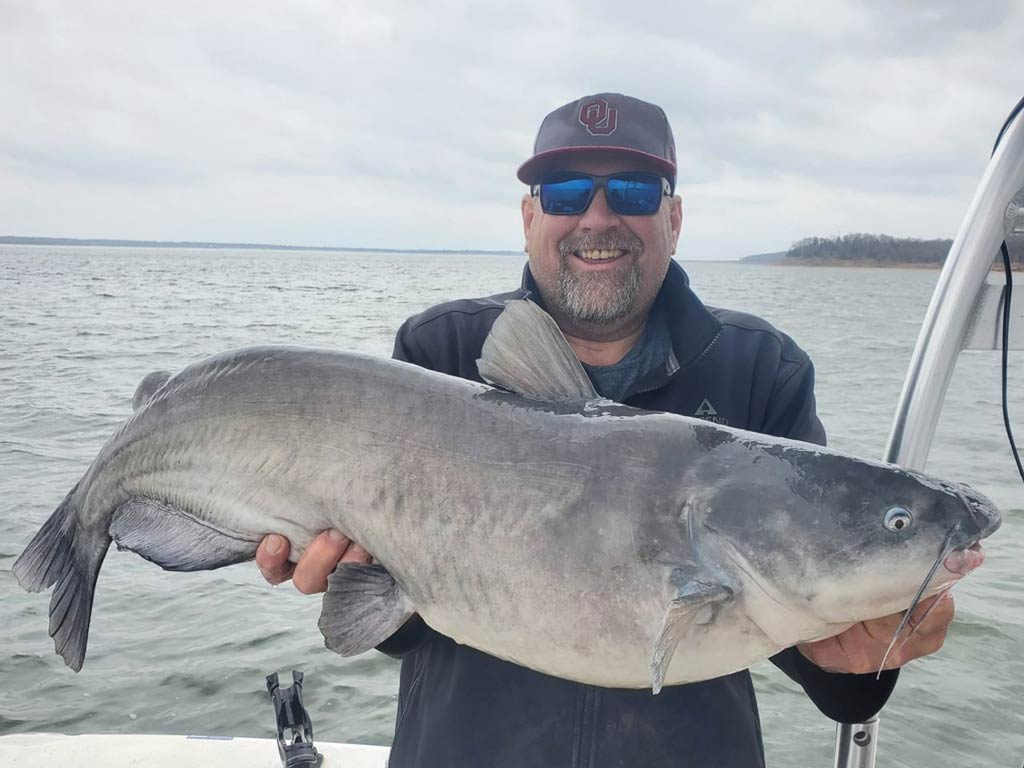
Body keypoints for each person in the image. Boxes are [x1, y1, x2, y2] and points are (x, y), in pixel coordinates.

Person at [257, 93, 955, 767]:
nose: (598, 217)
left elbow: (805, 632)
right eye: (564, 193)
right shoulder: (439, 353)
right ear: (529, 217)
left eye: (632, 190)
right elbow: (409, 622)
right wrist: (352, 575)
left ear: (674, 218)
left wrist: (863, 659)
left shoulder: (758, 369)